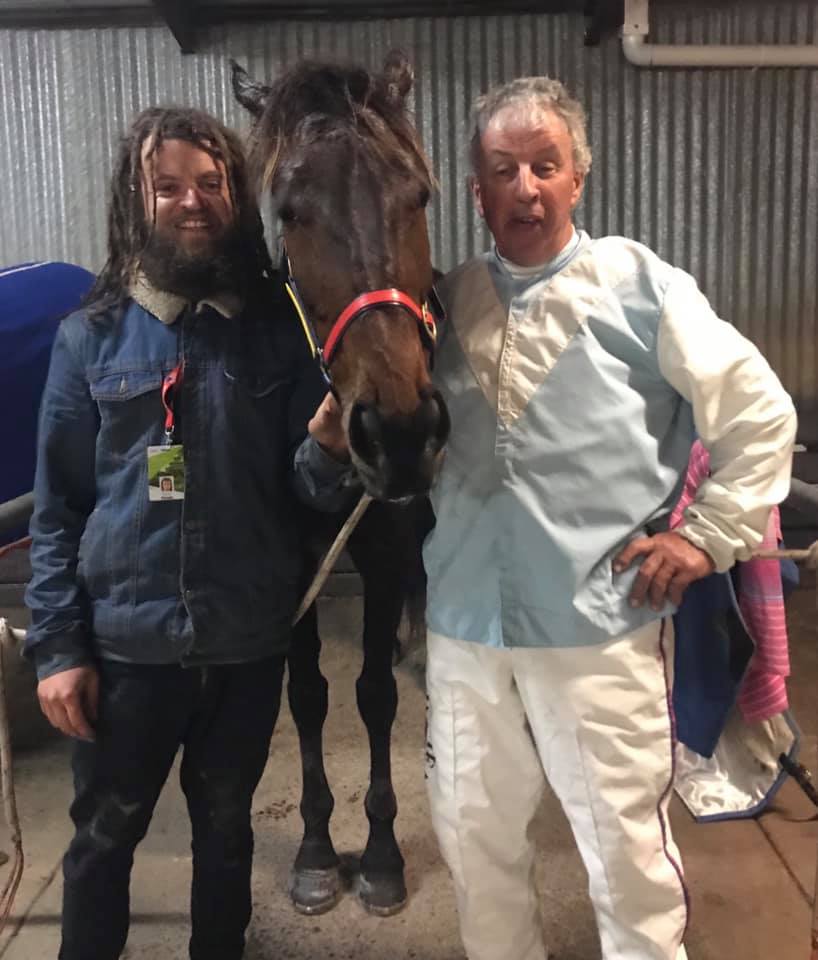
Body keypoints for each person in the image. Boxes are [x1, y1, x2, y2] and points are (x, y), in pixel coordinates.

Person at [417, 77, 796, 960]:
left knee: (624, 853)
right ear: (477, 190)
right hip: (464, 630)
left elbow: (761, 412)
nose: (526, 188)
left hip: (599, 627)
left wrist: (705, 535)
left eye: (545, 165)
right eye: (503, 170)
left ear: (578, 178)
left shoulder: (638, 283)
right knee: (474, 841)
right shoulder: (445, 303)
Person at [24, 106, 345, 960]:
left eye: (210, 184)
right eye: (168, 186)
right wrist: (58, 649)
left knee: (227, 833)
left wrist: (328, 449)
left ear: (236, 196)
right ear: (139, 200)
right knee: (104, 840)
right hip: (126, 650)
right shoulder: (87, 337)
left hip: (244, 644)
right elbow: (58, 510)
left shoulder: (279, 331)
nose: (192, 201)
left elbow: (307, 494)